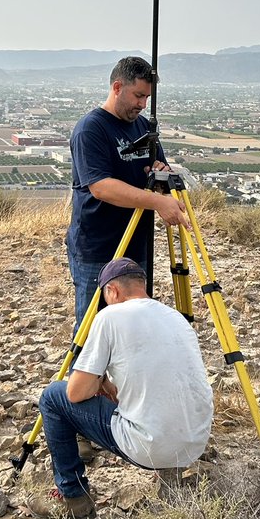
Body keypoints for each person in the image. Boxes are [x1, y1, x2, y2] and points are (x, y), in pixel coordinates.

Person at [38, 257, 214, 519]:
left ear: (112, 291)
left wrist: (98, 380)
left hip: (151, 447)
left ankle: (72, 499)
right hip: (193, 443)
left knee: (53, 397)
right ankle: (171, 481)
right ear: (141, 286)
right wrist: (106, 380)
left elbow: (75, 394)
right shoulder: (176, 317)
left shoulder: (110, 316)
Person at [66, 55, 189, 332]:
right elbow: (101, 187)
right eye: (138, 95)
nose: (142, 104)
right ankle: (84, 377)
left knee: (133, 327)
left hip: (136, 245)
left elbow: (159, 171)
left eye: (147, 97)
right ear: (118, 87)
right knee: (93, 330)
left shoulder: (144, 128)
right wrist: (158, 202)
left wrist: (161, 174)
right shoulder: (91, 129)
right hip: (97, 247)